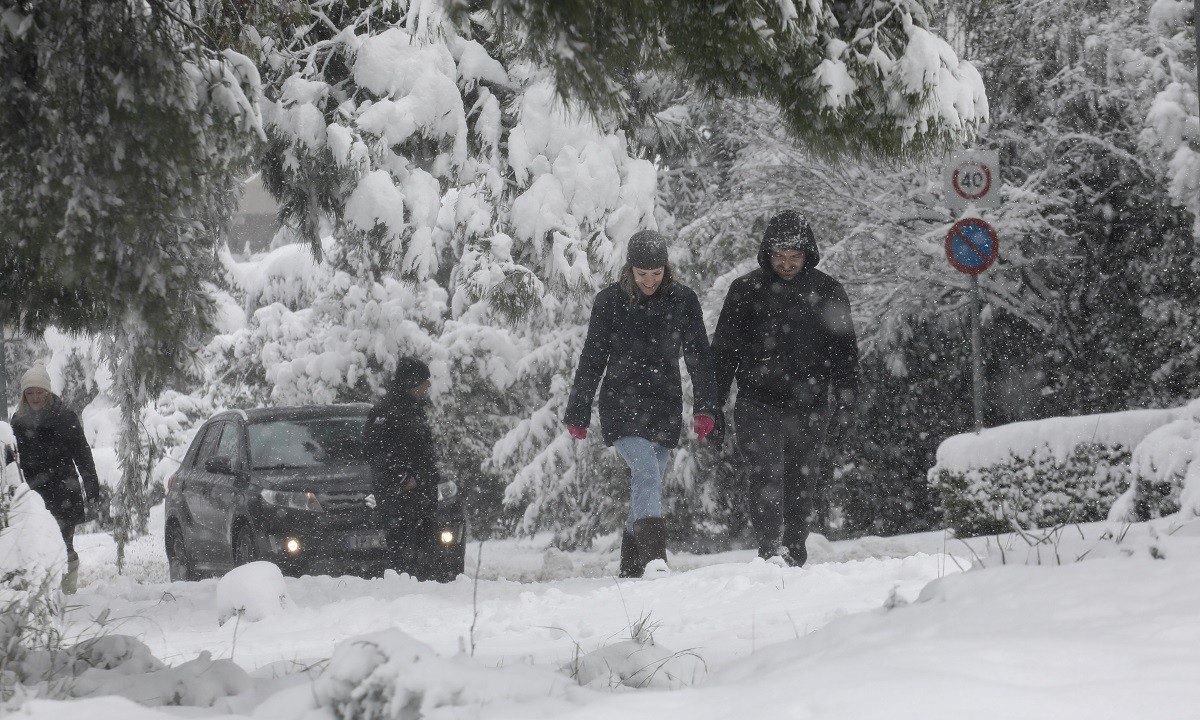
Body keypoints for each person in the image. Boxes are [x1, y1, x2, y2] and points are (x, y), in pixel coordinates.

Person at [564, 229, 719, 578]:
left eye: (656, 273)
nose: (649, 281)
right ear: (630, 269)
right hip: (621, 402)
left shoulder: (683, 301)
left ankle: (631, 569)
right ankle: (654, 561)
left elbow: (699, 357)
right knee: (646, 471)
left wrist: (706, 407)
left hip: (664, 403)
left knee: (648, 480)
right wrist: (578, 409)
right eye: (642, 274)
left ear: (666, 268)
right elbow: (592, 357)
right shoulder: (609, 301)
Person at [711, 209, 859, 567]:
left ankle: (794, 545)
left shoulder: (827, 291)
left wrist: (847, 401)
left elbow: (845, 353)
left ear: (808, 254)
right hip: (756, 401)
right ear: (767, 254)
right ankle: (769, 548)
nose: (787, 264)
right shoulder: (745, 291)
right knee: (765, 473)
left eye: (794, 257)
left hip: (809, 404)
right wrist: (710, 404)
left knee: (801, 478)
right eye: (779, 256)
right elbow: (724, 351)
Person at [8, 363, 101, 593]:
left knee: (64, 544)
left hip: (63, 491)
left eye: (40, 392)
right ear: (24, 395)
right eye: (30, 392)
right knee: (34, 547)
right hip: (32, 495)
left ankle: (67, 592)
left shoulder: (64, 416)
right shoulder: (18, 421)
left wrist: (91, 483)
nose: (36, 397)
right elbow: (11, 459)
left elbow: (82, 451)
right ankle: (42, 595)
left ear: (48, 392)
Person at [363, 357, 441, 579]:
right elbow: (376, 452)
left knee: (421, 546)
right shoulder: (386, 413)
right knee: (400, 546)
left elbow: (420, 451)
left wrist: (423, 476)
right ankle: (403, 587)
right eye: (424, 383)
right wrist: (403, 478)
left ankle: (421, 584)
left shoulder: (413, 410)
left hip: (419, 495)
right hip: (400, 496)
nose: (427, 388)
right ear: (412, 382)